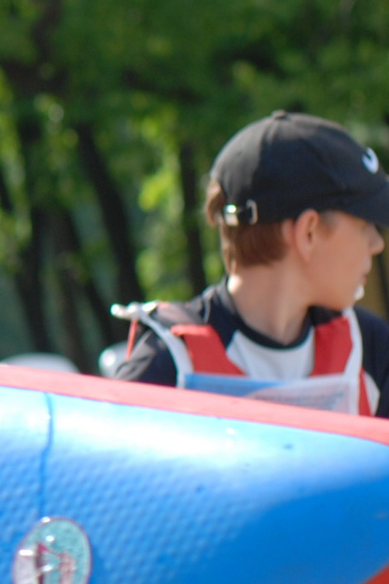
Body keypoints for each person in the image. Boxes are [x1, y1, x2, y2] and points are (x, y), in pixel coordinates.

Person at [112, 111, 389, 415]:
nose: (378, 244)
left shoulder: (371, 346)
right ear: (308, 232)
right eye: (365, 226)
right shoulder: (168, 364)